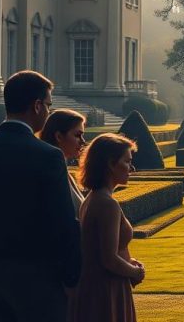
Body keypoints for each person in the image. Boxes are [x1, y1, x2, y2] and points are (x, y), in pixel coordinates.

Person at [0, 71, 80, 322]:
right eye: (49, 105)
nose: (49, 112)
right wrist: (71, 277)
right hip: (39, 275)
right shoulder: (48, 156)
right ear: (37, 105)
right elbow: (63, 224)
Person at [69, 133, 145, 322]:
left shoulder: (93, 199)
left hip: (99, 285)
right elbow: (109, 259)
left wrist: (129, 263)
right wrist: (136, 272)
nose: (131, 168)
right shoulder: (106, 204)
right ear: (111, 164)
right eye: (127, 162)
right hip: (108, 288)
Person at [40, 109, 88, 214]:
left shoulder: (61, 170)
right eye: (77, 135)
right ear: (59, 136)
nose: (83, 141)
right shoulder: (51, 172)